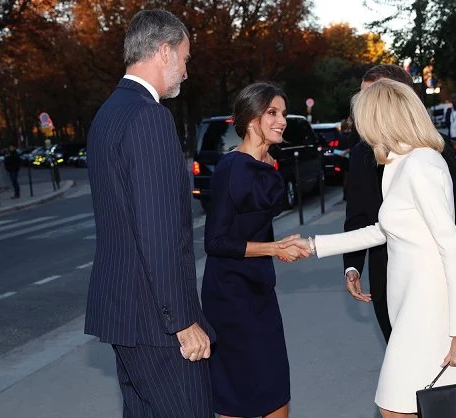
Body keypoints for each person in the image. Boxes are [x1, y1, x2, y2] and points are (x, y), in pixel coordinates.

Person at [284, 79, 456, 417]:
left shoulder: (422, 164)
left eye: (363, 117)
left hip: (430, 307)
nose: (358, 127)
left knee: (395, 405)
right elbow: (382, 229)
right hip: (408, 303)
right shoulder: (396, 164)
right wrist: (313, 244)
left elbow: (452, 247)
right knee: (412, 407)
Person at [84, 9, 215, 417]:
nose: (186, 73)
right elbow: (157, 232)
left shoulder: (108, 114)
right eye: (186, 58)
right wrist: (181, 321)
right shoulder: (149, 117)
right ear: (164, 51)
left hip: (126, 317)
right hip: (158, 324)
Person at [201, 82, 308, 418]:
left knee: (274, 386)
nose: (282, 120)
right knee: (239, 393)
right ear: (251, 120)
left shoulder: (267, 164)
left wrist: (279, 245)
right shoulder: (231, 169)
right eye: (272, 113)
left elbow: (256, 225)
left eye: (283, 113)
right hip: (230, 295)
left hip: (259, 287)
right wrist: (274, 248)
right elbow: (215, 241)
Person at [343, 64, 456, 343]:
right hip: (382, 272)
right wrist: (352, 266)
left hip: (426, 277)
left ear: (402, 97)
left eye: (375, 96)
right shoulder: (362, 153)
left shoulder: (433, 152)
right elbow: (358, 216)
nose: (366, 106)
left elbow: (452, 230)